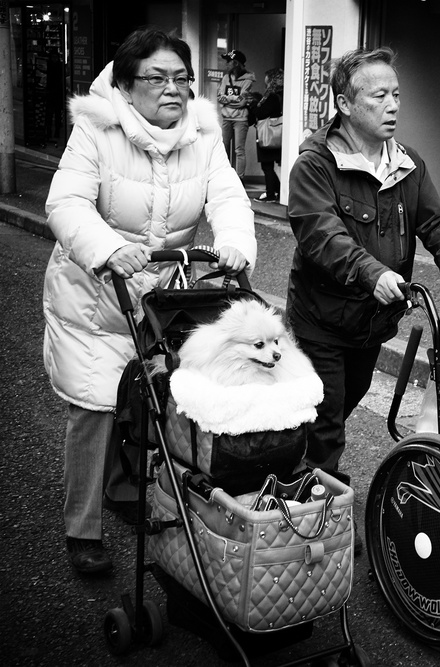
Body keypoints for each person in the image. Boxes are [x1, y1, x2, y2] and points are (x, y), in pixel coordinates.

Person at [42, 28, 257, 575]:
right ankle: (81, 530)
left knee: (156, 398)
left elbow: (227, 194)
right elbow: (66, 200)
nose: (173, 89)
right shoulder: (97, 128)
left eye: (181, 77)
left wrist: (234, 245)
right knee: (94, 407)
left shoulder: (203, 134)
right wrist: (109, 248)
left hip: (162, 290)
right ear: (125, 84)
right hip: (93, 293)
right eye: (156, 78)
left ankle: (132, 491)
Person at [285, 46, 440, 476]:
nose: (392, 105)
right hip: (321, 319)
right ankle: (313, 509)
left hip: (374, 321)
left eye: (396, 94)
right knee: (325, 421)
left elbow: (436, 223)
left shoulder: (408, 162)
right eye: (378, 96)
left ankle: (297, 475)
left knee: (340, 407)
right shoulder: (315, 165)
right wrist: (371, 272)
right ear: (344, 104)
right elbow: (322, 235)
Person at [217, 49, 255, 180]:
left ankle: (239, 179)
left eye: (228, 62)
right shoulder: (226, 78)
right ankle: (224, 178)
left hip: (241, 119)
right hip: (226, 118)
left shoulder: (248, 79)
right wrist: (234, 99)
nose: (226, 64)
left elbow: (242, 101)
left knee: (239, 150)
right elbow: (220, 97)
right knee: (224, 148)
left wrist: (228, 100)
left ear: (236, 63)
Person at [249, 67, 284, 202]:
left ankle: (271, 194)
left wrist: (253, 105)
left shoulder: (271, 96)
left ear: (271, 80)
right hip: (278, 133)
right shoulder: (283, 94)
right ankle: (278, 192)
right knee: (271, 165)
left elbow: (261, 112)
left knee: (267, 165)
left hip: (268, 134)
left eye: (267, 78)